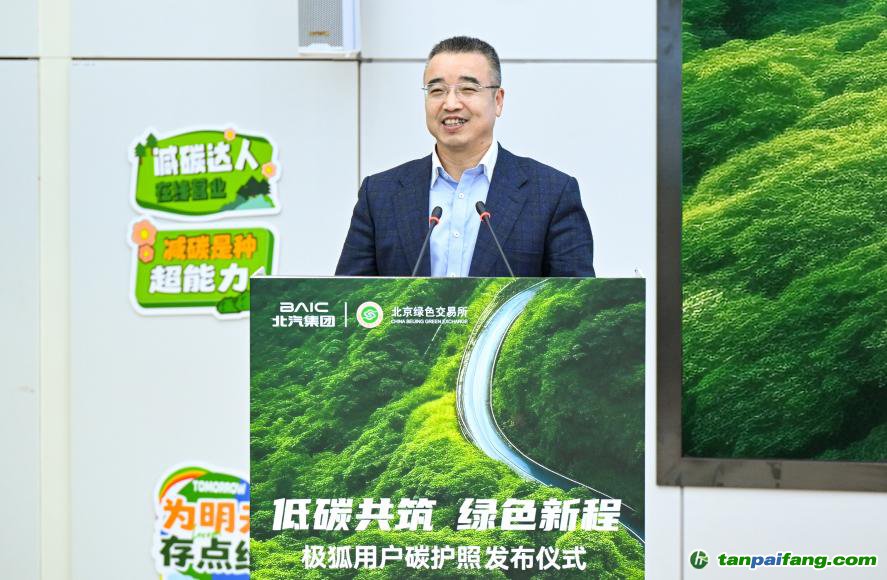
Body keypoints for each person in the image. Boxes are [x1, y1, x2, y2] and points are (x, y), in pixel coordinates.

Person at [335, 36, 595, 277]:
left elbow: (577, 304)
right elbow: (346, 300)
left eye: (467, 89)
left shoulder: (552, 194)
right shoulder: (379, 194)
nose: (450, 104)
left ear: (498, 100)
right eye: (437, 90)